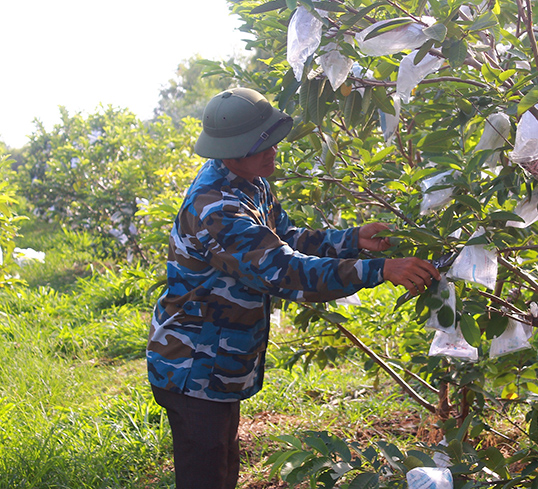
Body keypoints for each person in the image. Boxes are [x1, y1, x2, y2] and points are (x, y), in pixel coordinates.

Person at [146, 87, 440, 489]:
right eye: (261, 145)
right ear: (231, 150)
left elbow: (285, 238)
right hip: (194, 365)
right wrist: (379, 270)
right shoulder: (218, 208)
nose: (274, 152)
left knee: (220, 466)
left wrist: (352, 239)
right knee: (206, 473)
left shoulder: (249, 182)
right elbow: (286, 271)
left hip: (216, 363)